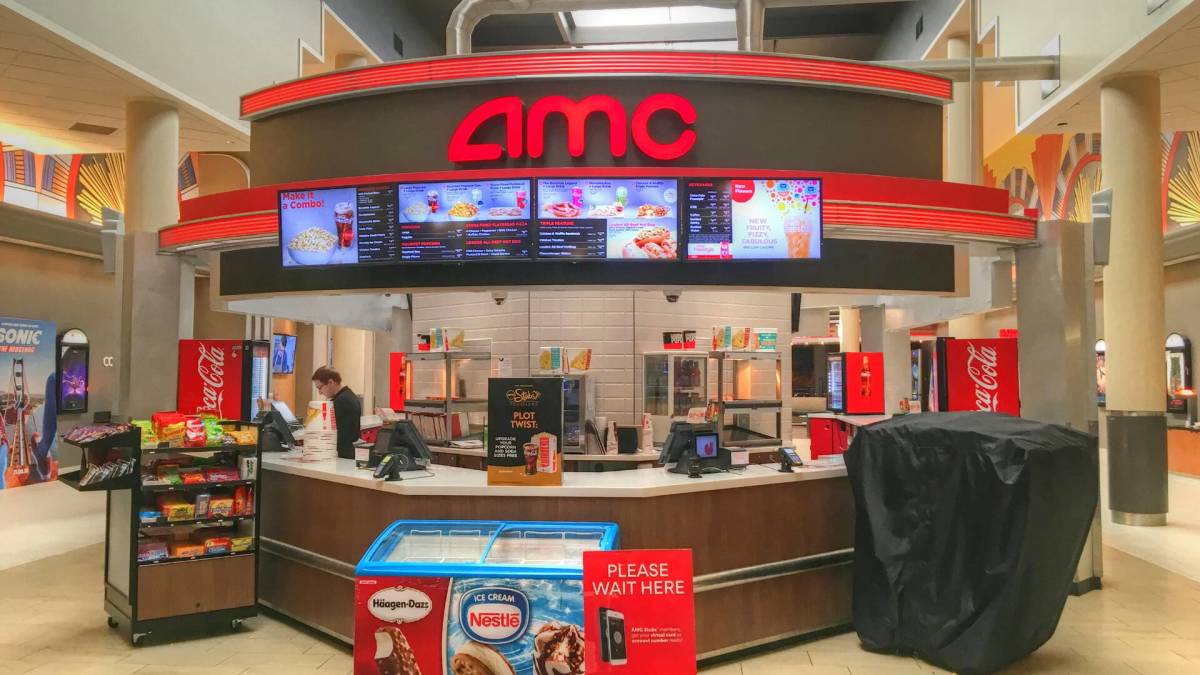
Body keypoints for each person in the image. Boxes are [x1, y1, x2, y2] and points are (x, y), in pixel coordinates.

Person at [311, 366, 361, 459]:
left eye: (320, 388)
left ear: (331, 382)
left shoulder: (341, 401)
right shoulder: (349, 395)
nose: (320, 392)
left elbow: (336, 434)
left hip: (342, 455)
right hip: (348, 452)